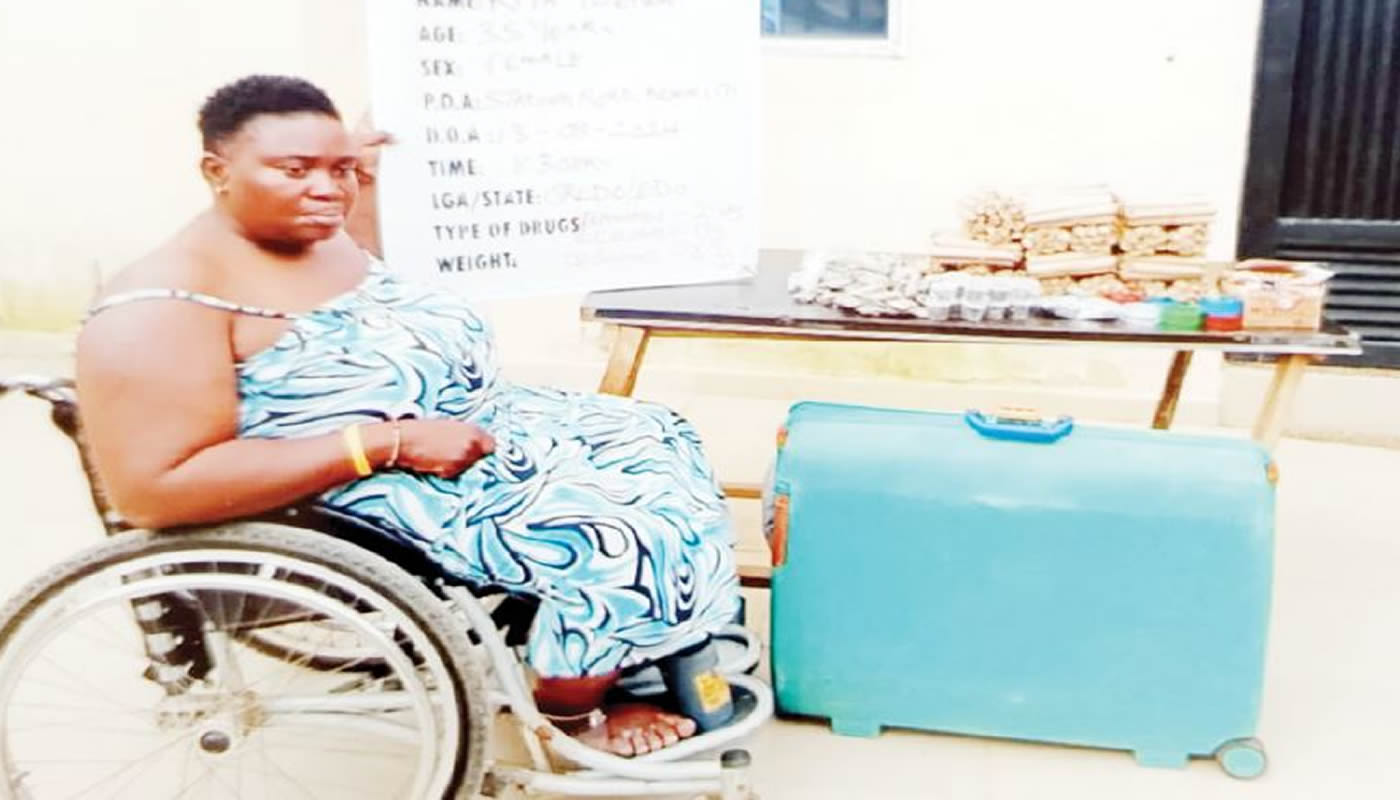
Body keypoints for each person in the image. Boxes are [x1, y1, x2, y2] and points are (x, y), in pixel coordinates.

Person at [76, 74, 741, 757]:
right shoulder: (164, 303)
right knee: (614, 533)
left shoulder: (316, 235)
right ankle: (570, 715)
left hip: (471, 430)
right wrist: (383, 443)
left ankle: (641, 637)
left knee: (656, 435)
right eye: (295, 169)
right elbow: (155, 490)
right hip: (365, 481)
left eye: (342, 169)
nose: (328, 189)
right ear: (216, 171)